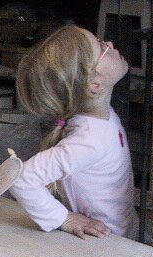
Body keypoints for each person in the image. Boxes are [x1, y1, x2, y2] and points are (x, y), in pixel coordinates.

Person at [9, 25, 139, 240]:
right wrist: (64, 218)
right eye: (102, 47)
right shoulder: (89, 140)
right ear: (95, 84)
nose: (110, 44)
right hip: (101, 245)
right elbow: (21, 178)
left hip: (117, 238)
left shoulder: (101, 119)